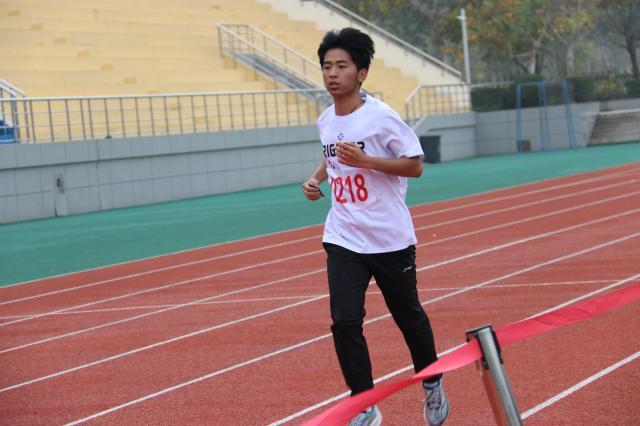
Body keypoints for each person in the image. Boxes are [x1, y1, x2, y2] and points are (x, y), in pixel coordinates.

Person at [301, 28, 450, 426]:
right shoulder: (326, 119)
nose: (332, 74)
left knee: (408, 316)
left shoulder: (381, 117)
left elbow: (414, 165)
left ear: (361, 73)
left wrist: (367, 162)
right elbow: (333, 156)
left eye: (341, 66)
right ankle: (364, 404)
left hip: (388, 239)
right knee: (345, 321)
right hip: (343, 237)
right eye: (327, 66)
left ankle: (432, 383)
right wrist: (316, 179)